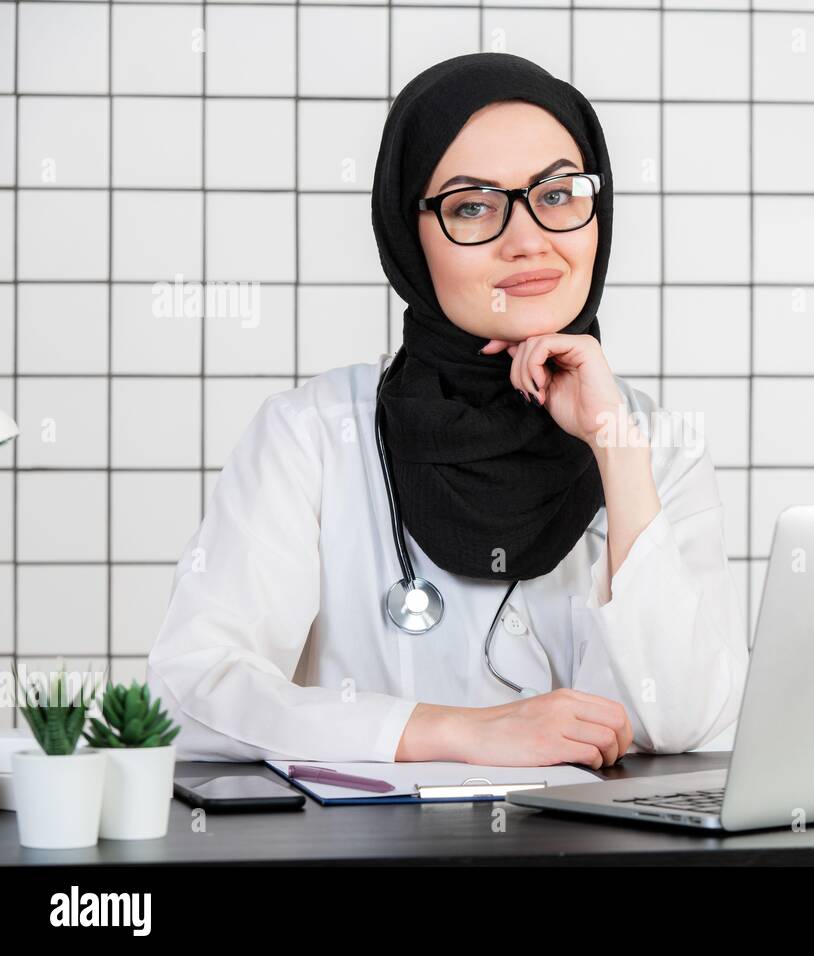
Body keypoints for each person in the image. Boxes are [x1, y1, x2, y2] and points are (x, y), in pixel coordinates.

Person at [144, 52, 750, 769]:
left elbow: (690, 720)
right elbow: (189, 692)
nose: (528, 239)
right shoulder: (315, 434)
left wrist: (615, 451)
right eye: (472, 206)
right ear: (409, 236)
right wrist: (456, 731)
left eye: (557, 195)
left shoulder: (655, 445)